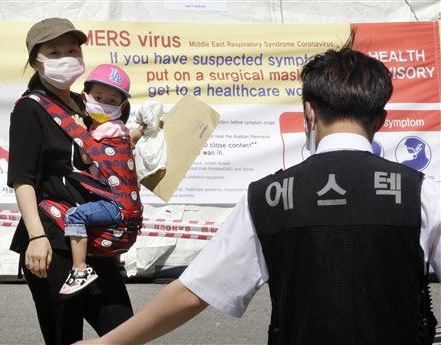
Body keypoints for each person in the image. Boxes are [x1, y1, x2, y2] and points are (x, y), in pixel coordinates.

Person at [75, 40, 441, 344]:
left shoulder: (268, 197)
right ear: (381, 120)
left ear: (309, 113)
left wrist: (106, 343)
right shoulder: (421, 194)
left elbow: (193, 292)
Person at [7, 18, 134, 345]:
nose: (66, 56)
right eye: (54, 51)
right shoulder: (30, 110)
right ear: (36, 59)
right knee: (64, 336)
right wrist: (36, 236)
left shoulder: (87, 104)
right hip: (53, 241)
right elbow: (23, 180)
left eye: (72, 50)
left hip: (94, 239)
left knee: (125, 333)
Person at [59, 64, 143, 296]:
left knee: (75, 215)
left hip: (115, 202)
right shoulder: (117, 128)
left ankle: (79, 269)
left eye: (112, 100)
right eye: (98, 97)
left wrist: (78, 130)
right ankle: (113, 265)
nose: (104, 103)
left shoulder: (107, 131)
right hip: (124, 202)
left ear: (122, 105)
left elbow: (87, 156)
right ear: (86, 95)